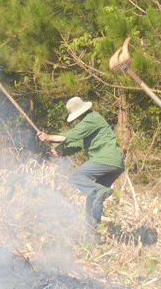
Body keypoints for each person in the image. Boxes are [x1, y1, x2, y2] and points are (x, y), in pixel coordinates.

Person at [37, 96, 125, 233]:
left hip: (107, 159)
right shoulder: (88, 124)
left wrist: (48, 137)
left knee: (75, 176)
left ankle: (100, 190)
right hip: (115, 164)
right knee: (92, 201)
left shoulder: (92, 118)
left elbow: (70, 135)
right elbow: (77, 143)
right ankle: (92, 237)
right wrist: (63, 152)